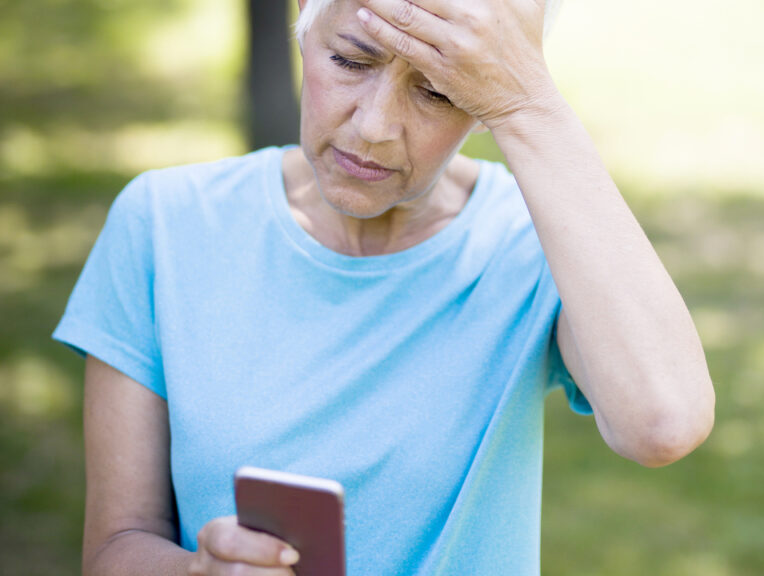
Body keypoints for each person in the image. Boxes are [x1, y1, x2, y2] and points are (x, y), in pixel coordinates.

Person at [54, 0, 715, 574]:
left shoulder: (535, 245)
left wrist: (529, 105)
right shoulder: (165, 225)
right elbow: (118, 547)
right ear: (304, 29)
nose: (374, 126)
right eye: (350, 61)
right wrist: (201, 571)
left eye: (437, 91)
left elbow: (664, 422)